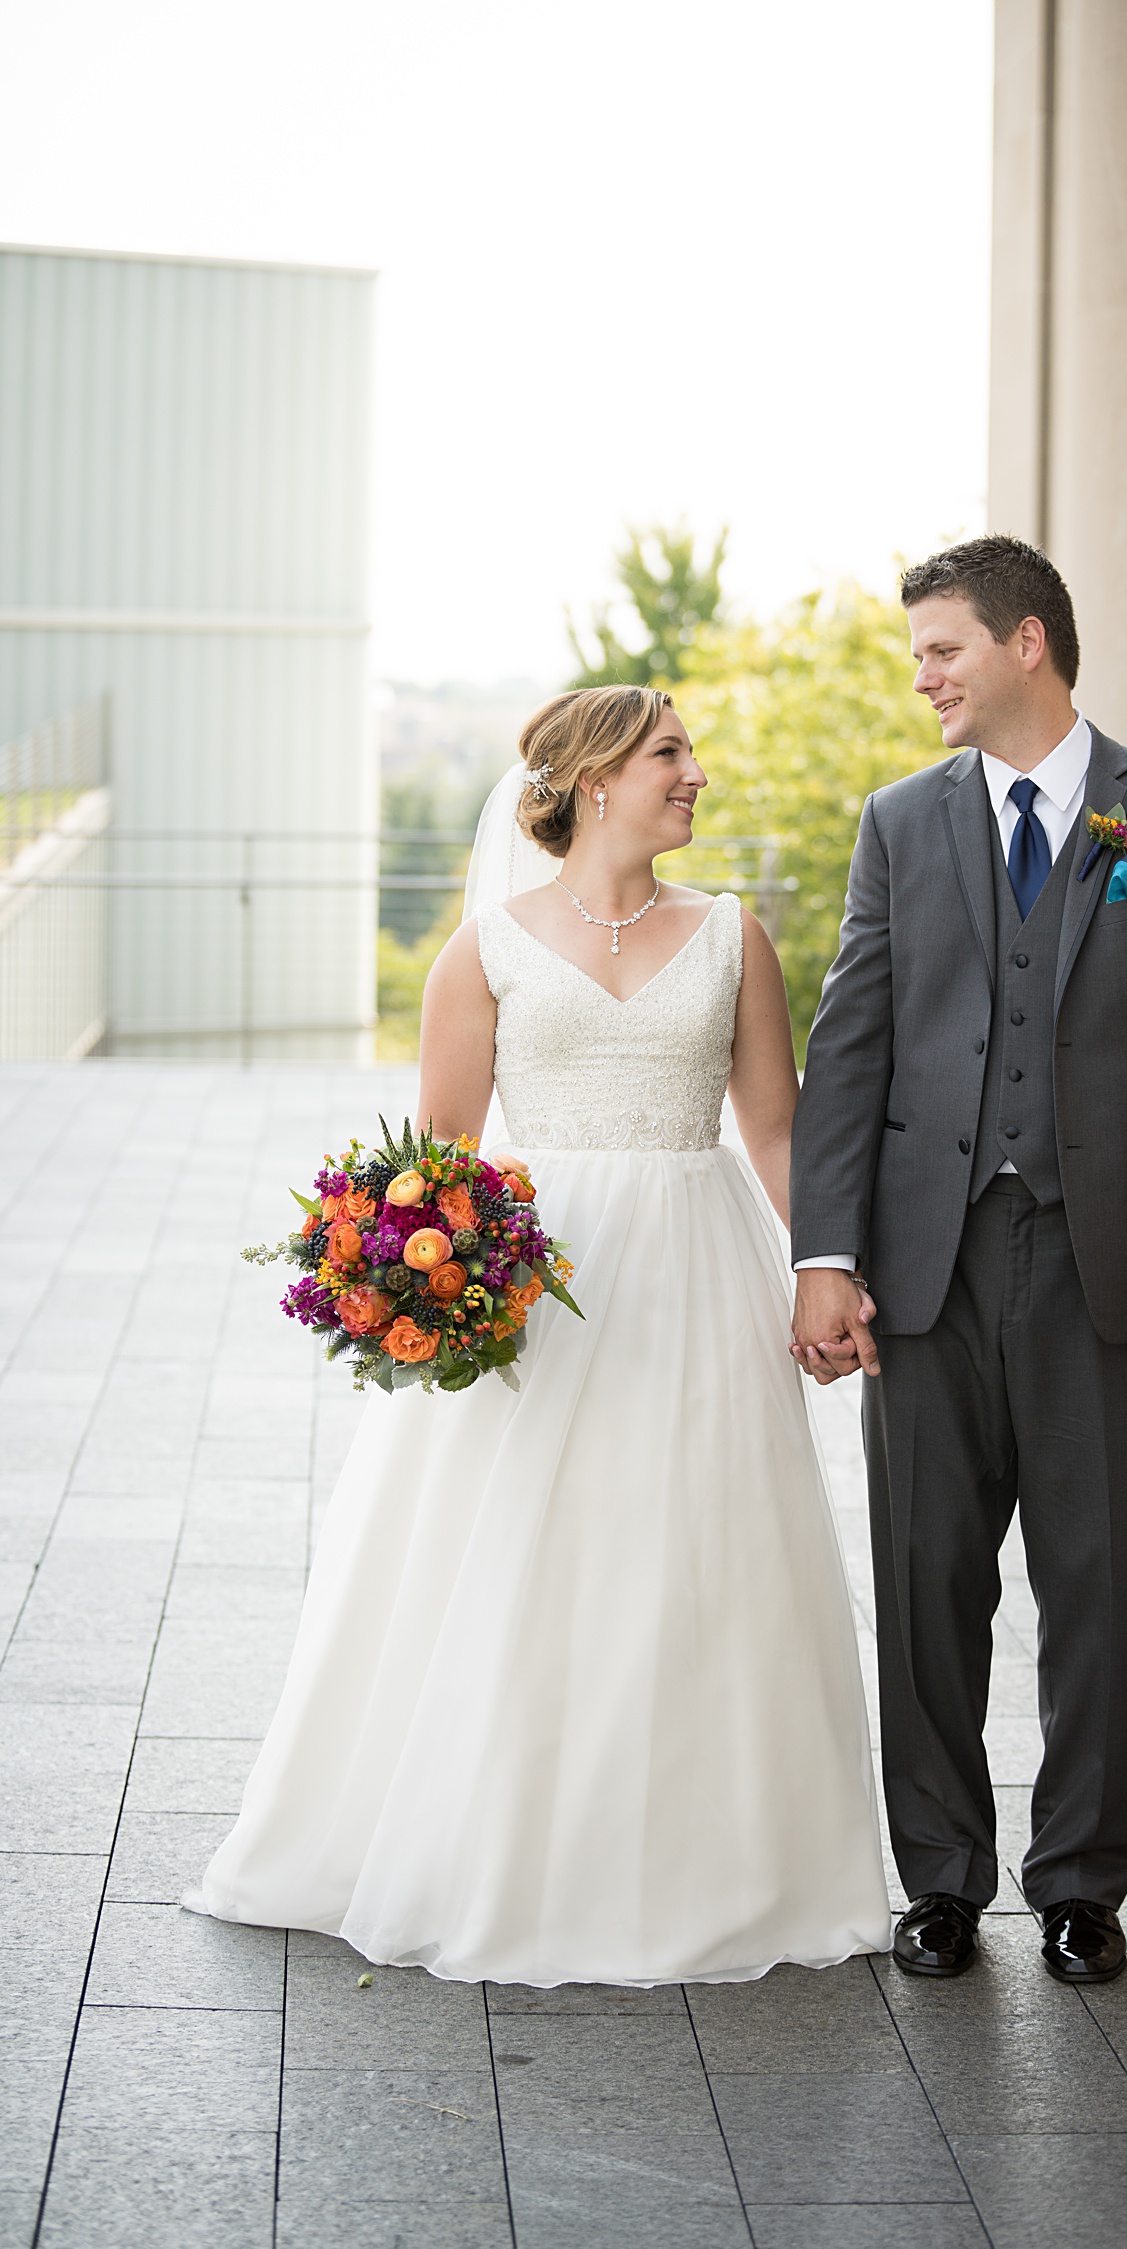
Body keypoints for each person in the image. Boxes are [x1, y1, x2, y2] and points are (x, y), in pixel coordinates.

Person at [186, 684, 892, 1987]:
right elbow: (435, 1166)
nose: (694, 774)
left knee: (697, 1553)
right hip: (541, 1289)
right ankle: (508, 1843)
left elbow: (777, 1129)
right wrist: (408, 1290)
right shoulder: (486, 950)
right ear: (593, 779)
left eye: (687, 752)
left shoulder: (734, 936)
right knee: (529, 1554)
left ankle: (717, 1859)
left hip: (698, 1263)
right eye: (670, 754)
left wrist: (825, 1275)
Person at [789, 536, 1127, 1983]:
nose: (923, 674)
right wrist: (826, 1251)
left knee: (1094, 1584)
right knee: (928, 1579)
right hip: (927, 1270)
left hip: (1110, 1274)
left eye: (941, 648)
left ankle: (1081, 1882)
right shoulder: (899, 821)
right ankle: (938, 1874)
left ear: (1028, 644)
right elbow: (852, 1042)